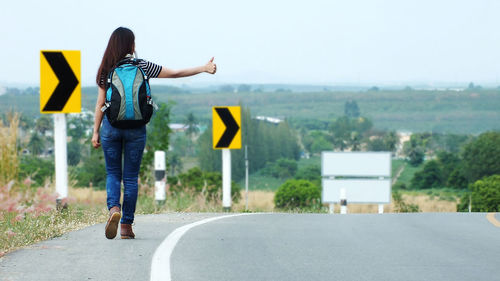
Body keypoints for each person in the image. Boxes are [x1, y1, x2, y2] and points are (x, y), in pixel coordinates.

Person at [92, 27, 216, 239]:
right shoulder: (143, 66)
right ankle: (126, 227)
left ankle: (114, 209)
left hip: (111, 128)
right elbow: (176, 73)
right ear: (131, 45)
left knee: (113, 173)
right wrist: (204, 68)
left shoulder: (107, 68)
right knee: (130, 178)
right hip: (136, 129)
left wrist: (95, 132)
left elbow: (100, 104)